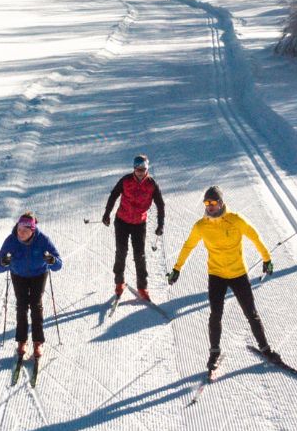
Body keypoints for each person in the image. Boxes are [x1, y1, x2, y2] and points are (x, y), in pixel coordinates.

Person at [167, 186, 278, 371]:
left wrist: (267, 259)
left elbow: (254, 236)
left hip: (238, 274)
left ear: (221, 203)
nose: (209, 206)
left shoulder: (235, 220)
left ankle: (265, 349)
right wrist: (176, 269)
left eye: (213, 203)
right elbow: (188, 246)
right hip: (216, 275)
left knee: (251, 313)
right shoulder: (201, 225)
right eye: (207, 203)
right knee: (215, 315)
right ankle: (214, 353)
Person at [0, 212, 64, 359]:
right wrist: (4, 262)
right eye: (19, 229)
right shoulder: (11, 240)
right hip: (18, 275)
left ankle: (38, 342)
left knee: (36, 305)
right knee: (21, 306)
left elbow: (58, 265)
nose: (21, 233)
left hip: (39, 274)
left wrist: (51, 260)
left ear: (32, 230)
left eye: (25, 231)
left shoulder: (43, 240)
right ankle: (22, 341)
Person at [101, 154, 166, 300]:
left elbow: (160, 205)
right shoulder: (126, 180)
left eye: (142, 169)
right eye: (137, 169)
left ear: (147, 169)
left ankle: (142, 287)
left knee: (139, 256)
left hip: (139, 224)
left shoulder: (151, 185)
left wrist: (160, 224)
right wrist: (107, 214)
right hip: (122, 221)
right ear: (134, 169)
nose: (140, 172)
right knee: (121, 252)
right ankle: (119, 283)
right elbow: (114, 195)